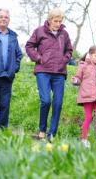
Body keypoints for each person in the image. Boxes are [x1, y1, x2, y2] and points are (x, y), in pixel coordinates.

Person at [25, 8, 73, 142]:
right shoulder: (39, 31)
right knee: (46, 100)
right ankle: (42, 130)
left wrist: (64, 60)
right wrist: (39, 58)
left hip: (59, 73)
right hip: (43, 71)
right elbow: (29, 46)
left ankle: (51, 134)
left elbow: (69, 50)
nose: (58, 23)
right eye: (56, 21)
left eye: (60, 21)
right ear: (50, 20)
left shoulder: (64, 34)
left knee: (58, 103)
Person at [71, 46, 96, 147]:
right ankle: (84, 139)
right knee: (88, 117)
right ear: (90, 55)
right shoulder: (83, 65)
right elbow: (78, 78)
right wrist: (75, 81)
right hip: (87, 96)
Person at [0, 9, 23, 129]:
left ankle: (0, 132)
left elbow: (19, 54)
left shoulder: (13, 37)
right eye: (1, 16)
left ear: (9, 20)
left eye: (6, 17)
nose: (3, 19)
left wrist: (14, 68)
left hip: (7, 77)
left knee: (4, 105)